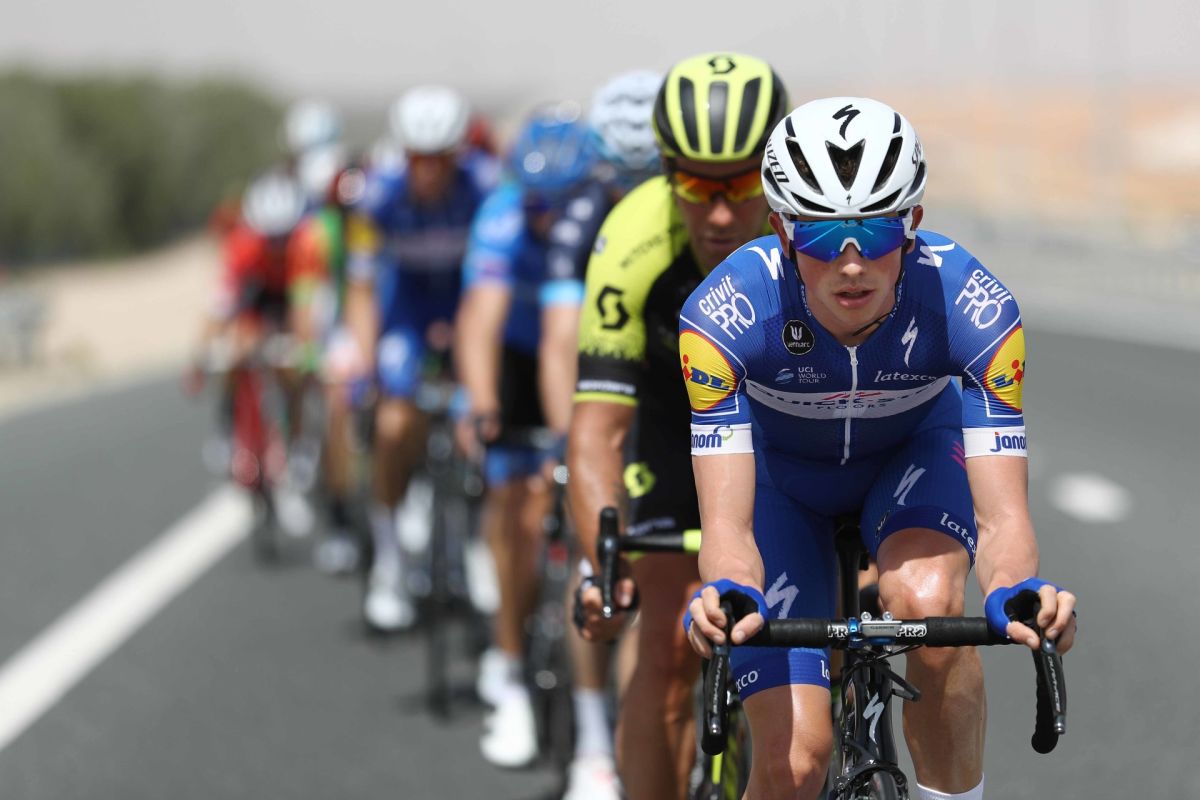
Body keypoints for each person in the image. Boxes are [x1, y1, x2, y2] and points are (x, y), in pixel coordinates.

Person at [680, 97, 1078, 800]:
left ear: (913, 222)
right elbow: (728, 531)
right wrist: (729, 590)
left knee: (926, 601)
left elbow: (1003, 522)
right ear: (780, 229)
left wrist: (1017, 590)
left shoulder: (975, 306)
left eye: (876, 229)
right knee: (795, 766)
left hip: (912, 459)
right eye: (823, 235)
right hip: (781, 487)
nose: (853, 264)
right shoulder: (724, 316)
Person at [567, 53, 788, 800]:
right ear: (665, 171)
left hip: (790, 435)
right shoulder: (632, 241)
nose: (720, 214)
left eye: (743, 185)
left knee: (817, 646)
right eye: (696, 186)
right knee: (665, 651)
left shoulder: (815, 238)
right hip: (674, 429)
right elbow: (598, 429)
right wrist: (601, 566)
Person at [453, 104, 594, 768]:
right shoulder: (501, 217)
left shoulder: (602, 218)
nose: (547, 217)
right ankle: (509, 668)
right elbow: (479, 320)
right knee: (515, 512)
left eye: (560, 203)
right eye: (536, 201)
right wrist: (481, 403)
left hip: (583, 359)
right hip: (514, 358)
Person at [538, 69, 661, 800]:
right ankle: (591, 743)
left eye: (653, 174)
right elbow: (561, 341)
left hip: (674, 389)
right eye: (623, 176)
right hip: (604, 384)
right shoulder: (583, 218)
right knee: (603, 560)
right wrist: (572, 444)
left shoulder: (701, 210)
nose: (637, 189)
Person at [345, 85, 499, 631]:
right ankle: (389, 565)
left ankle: (479, 546)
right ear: (403, 154)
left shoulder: (487, 187)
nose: (429, 170)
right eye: (418, 158)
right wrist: (364, 362)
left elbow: (496, 281)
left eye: (440, 159)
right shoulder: (376, 197)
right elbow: (361, 289)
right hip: (406, 316)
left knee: (485, 425)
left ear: (458, 154)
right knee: (393, 428)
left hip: (467, 309)